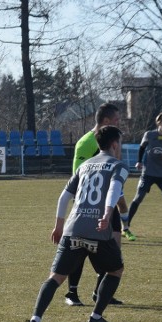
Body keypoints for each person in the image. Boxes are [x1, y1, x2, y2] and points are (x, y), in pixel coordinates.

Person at [26, 125, 127, 322]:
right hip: (98, 230)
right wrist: (107, 214)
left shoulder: (85, 165)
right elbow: (114, 190)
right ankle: (96, 317)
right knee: (115, 270)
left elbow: (64, 197)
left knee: (55, 277)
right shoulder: (118, 166)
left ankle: (35, 320)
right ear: (115, 144)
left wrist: (58, 226)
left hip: (73, 228)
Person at [65, 102, 128, 307]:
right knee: (81, 249)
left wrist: (119, 200)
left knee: (114, 248)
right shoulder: (85, 144)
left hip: (109, 204)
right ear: (107, 121)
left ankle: (100, 292)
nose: (120, 123)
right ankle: (72, 294)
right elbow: (78, 178)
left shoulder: (113, 141)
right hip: (89, 206)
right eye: (117, 120)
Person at [122, 111, 162, 238]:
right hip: (148, 173)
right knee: (138, 198)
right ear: (158, 122)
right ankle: (126, 227)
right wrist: (139, 161)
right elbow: (142, 148)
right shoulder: (149, 135)